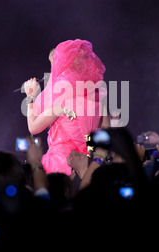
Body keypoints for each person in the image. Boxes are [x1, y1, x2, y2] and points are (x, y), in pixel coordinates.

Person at [22, 39, 109, 175]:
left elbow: (33, 128)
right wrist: (99, 158)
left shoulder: (61, 101)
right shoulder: (97, 96)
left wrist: (30, 97)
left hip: (62, 163)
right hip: (87, 164)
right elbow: (106, 130)